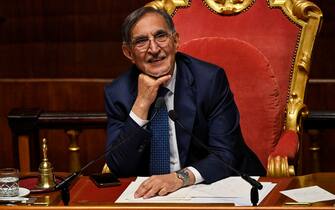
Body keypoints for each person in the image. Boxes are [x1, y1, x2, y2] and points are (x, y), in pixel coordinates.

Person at [104, 6, 265, 199]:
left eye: (161, 36)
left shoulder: (209, 80)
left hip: (216, 187)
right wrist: (141, 103)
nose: (154, 49)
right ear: (128, 52)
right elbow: (119, 166)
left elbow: (225, 154)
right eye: (141, 42)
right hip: (153, 197)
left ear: (176, 41)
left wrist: (178, 178)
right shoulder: (118, 93)